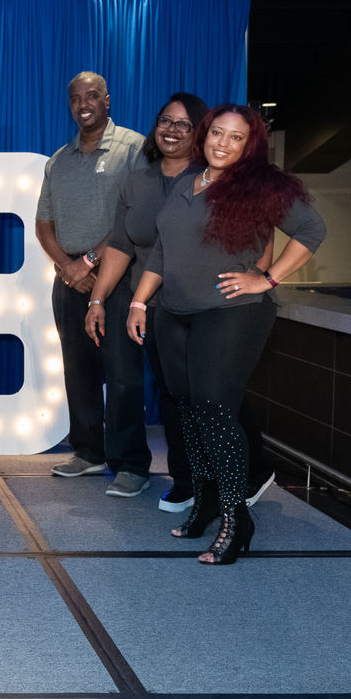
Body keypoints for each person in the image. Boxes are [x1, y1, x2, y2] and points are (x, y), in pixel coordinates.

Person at [127, 104, 324, 565]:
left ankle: (238, 519)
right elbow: (161, 248)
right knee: (189, 411)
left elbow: (312, 229)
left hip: (230, 313)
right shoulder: (186, 181)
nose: (223, 143)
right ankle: (207, 499)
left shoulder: (262, 186)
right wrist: (139, 301)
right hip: (172, 313)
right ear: (205, 134)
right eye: (217, 132)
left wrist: (267, 278)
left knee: (215, 410)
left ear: (249, 144)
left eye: (236, 138)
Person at [84, 93, 209, 511]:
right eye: (165, 122)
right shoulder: (138, 181)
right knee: (142, 388)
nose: (171, 131)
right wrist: (97, 299)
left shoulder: (212, 178)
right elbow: (120, 244)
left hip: (190, 306)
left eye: (183, 124)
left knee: (193, 394)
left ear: (200, 132)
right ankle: (153, 472)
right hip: (137, 302)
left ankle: (206, 475)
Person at [35, 71, 151, 497]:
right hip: (69, 280)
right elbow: (43, 222)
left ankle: (132, 463)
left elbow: (136, 218)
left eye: (92, 96)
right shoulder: (59, 160)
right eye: (75, 98)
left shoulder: (135, 149)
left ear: (107, 100)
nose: (84, 103)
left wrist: (89, 262)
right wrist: (69, 266)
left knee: (122, 372)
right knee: (78, 369)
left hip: (119, 278)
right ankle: (89, 452)